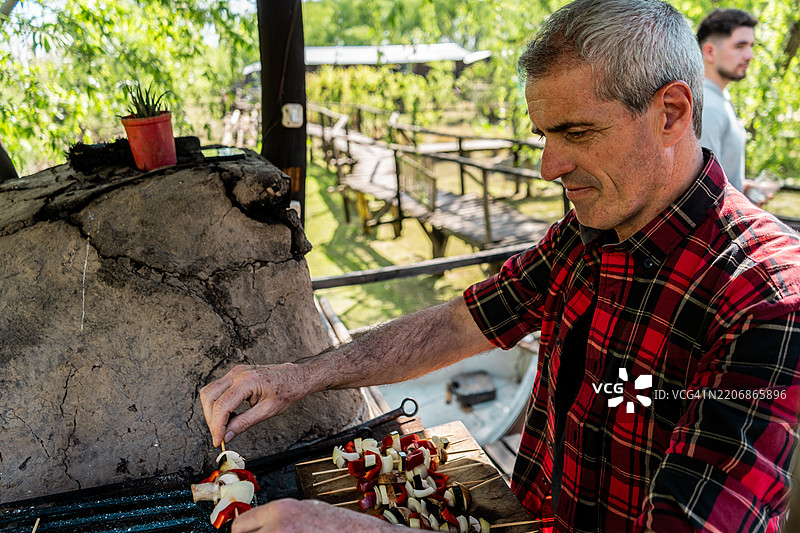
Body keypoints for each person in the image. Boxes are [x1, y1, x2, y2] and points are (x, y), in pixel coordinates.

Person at [200, 0, 800, 531]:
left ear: (670, 112)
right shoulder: (589, 233)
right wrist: (299, 376)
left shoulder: (767, 299)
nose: (548, 165)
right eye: (543, 133)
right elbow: (463, 323)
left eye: (577, 131)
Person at [696, 9, 759, 198]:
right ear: (709, 51)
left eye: (751, 46)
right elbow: (703, 191)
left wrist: (741, 187)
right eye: (740, 46)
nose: (750, 55)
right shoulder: (709, 106)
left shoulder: (718, 99)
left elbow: (718, 177)